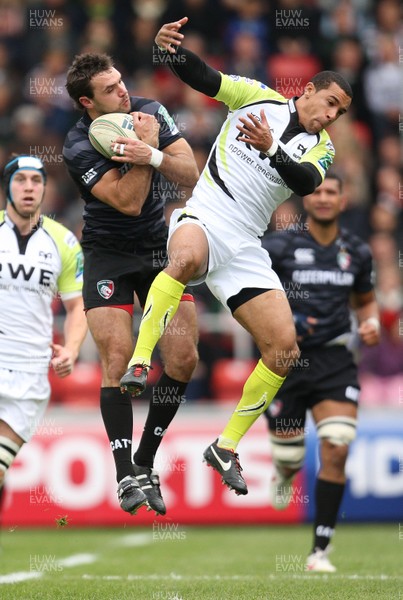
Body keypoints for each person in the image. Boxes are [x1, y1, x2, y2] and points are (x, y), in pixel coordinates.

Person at [120, 16, 353, 496]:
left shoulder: (323, 149)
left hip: (246, 244)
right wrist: (170, 51)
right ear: (308, 90)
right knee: (182, 262)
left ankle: (225, 447)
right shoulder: (257, 96)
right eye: (330, 103)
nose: (331, 116)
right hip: (205, 216)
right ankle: (141, 362)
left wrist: (271, 150)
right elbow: (205, 77)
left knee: (284, 351)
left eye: (340, 112)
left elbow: (306, 183)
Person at [63, 52, 199, 517]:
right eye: (110, 89)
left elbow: (190, 172)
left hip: (160, 250)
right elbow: (126, 200)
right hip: (108, 256)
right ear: (87, 102)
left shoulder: (152, 111)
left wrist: (154, 148)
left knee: (184, 357)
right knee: (118, 361)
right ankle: (124, 475)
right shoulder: (77, 145)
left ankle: (145, 460)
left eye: (121, 82)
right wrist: (144, 154)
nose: (123, 92)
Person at [263, 172, 380, 572]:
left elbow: (365, 301)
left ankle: (320, 551)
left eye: (333, 191)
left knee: (337, 446)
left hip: (334, 362)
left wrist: (372, 323)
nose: (325, 198)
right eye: (317, 192)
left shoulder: (358, 252)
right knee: (291, 457)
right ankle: (284, 470)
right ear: (305, 200)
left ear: (343, 201)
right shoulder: (278, 247)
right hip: (285, 361)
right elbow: (252, 294)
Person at [0, 154, 87, 519]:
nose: (29, 188)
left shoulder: (64, 242)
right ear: (8, 186)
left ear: (45, 190)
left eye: (36, 182)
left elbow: (78, 305)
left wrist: (71, 348)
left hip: (29, 370)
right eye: (21, 181)